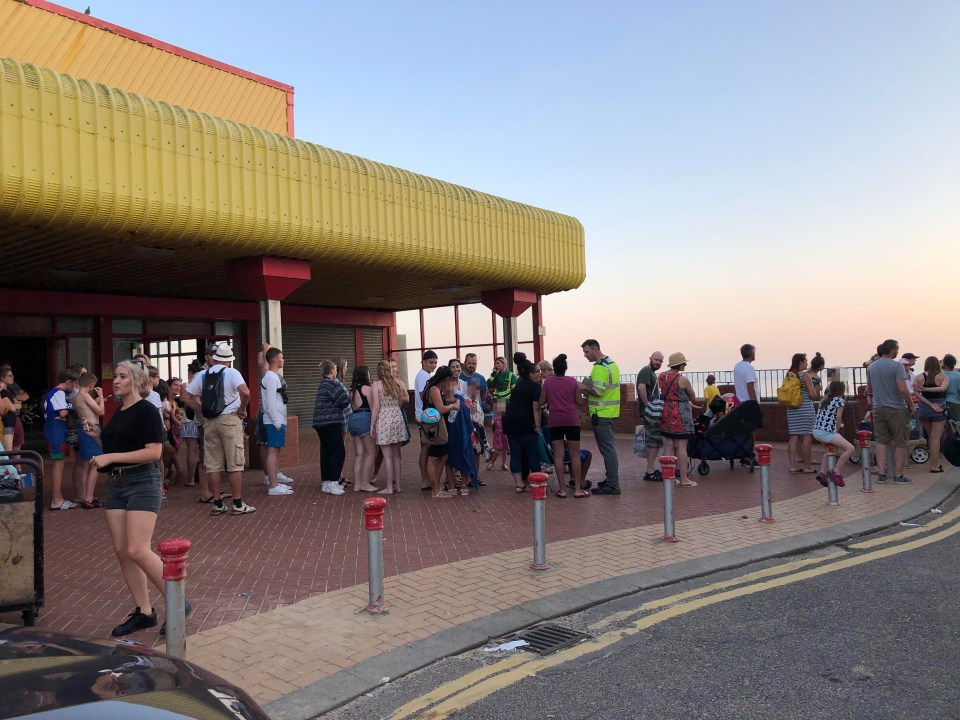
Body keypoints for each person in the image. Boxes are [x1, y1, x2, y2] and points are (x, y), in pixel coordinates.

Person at [82, 360, 188, 637]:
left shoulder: (147, 411)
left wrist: (111, 455)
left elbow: (154, 452)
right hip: (117, 484)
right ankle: (144, 611)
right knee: (123, 550)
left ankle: (179, 603)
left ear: (138, 382)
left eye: (122, 377)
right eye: (115, 376)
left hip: (143, 481)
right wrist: (97, 435)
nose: (115, 381)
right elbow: (115, 449)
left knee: (138, 549)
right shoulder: (119, 412)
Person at [182, 343, 255, 515]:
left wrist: (203, 409)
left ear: (214, 359)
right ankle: (237, 504)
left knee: (213, 464)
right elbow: (245, 392)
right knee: (235, 463)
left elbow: (185, 397)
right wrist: (243, 409)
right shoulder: (232, 372)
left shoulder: (202, 375)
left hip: (210, 422)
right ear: (229, 359)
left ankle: (217, 503)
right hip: (230, 420)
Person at [866, 339, 915, 484]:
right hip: (896, 408)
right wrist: (911, 405)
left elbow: (870, 389)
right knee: (900, 441)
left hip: (878, 407)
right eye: (897, 349)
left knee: (881, 441)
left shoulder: (871, 367)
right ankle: (898, 475)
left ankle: (882, 474)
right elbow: (902, 388)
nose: (898, 352)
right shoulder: (897, 366)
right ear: (892, 350)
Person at [540, 353, 587, 498]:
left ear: (554, 368)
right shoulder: (572, 381)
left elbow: (542, 401)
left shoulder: (548, 382)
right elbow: (579, 401)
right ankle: (578, 489)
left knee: (558, 455)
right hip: (572, 420)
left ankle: (562, 490)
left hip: (555, 421)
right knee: (575, 455)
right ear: (566, 368)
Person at [581, 339, 621, 495]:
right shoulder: (612, 364)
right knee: (609, 449)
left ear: (595, 350)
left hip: (601, 414)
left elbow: (598, 391)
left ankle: (613, 484)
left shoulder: (599, 368)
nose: (585, 355)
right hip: (610, 413)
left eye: (586, 352)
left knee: (607, 450)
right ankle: (611, 479)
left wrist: (583, 387)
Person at [658, 353, 701, 487]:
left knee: (669, 444)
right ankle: (684, 479)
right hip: (681, 413)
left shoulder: (661, 376)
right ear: (679, 364)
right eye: (684, 363)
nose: (685, 365)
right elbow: (692, 396)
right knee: (682, 445)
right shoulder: (682, 379)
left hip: (666, 411)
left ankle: (668, 477)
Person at [503, 352, 543, 492]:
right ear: (531, 374)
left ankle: (519, 484)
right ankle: (536, 483)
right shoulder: (535, 387)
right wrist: (537, 426)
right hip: (526, 423)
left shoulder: (517, 384)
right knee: (532, 453)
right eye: (538, 372)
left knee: (516, 454)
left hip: (510, 422)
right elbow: (536, 408)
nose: (540, 374)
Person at [260, 346, 294, 496]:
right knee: (272, 451)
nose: (283, 360)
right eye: (281, 357)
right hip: (274, 420)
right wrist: (276, 421)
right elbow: (269, 402)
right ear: (275, 360)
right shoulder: (272, 377)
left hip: (276, 419)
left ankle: (274, 482)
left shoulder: (271, 377)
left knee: (275, 450)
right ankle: (273, 485)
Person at [312, 360, 350, 496]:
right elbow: (344, 400)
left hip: (320, 423)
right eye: (335, 370)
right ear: (332, 371)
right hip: (331, 422)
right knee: (338, 451)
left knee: (326, 451)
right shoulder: (332, 384)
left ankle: (327, 482)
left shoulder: (323, 384)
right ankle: (334, 481)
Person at [421, 366, 459, 498]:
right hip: (436, 427)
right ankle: (435, 490)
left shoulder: (430, 388)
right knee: (433, 458)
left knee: (443, 456)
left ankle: (436, 486)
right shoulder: (434, 389)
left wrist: (450, 401)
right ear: (445, 378)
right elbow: (441, 409)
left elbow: (436, 403)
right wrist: (453, 406)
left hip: (432, 426)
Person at [43, 370, 79, 510]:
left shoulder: (57, 393)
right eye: (74, 384)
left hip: (57, 427)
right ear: (68, 382)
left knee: (60, 462)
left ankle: (58, 498)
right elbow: (63, 412)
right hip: (55, 427)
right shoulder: (58, 392)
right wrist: (74, 405)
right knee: (58, 463)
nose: (74, 388)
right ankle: (56, 499)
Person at [371, 358, 407, 494]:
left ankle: (389, 487)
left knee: (387, 456)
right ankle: (398, 485)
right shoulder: (397, 384)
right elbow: (399, 403)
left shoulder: (376, 385)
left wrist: (372, 425)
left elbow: (375, 406)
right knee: (397, 455)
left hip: (384, 418)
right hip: (397, 416)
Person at [72, 372, 105, 509]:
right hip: (92, 429)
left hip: (83, 428)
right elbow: (101, 411)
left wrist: (95, 402)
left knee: (87, 463)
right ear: (91, 385)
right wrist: (101, 397)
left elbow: (86, 409)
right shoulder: (85, 395)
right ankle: (89, 498)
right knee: (95, 464)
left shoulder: (75, 397)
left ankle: (86, 496)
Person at [813, 380, 854, 487]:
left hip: (816, 431)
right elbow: (838, 417)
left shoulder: (824, 400)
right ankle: (836, 471)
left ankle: (822, 472)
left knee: (829, 449)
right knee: (850, 448)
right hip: (826, 432)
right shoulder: (839, 401)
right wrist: (837, 430)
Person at [913, 356, 949, 473]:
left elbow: (916, 393)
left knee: (930, 436)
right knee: (936, 438)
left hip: (924, 408)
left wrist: (926, 395)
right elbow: (942, 389)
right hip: (939, 407)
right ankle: (934, 465)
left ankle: (936, 463)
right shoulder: (943, 377)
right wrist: (932, 399)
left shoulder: (918, 377)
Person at [347, 365, 379, 492]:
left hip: (353, 419)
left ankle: (357, 484)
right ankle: (365, 483)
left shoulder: (352, 391)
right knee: (371, 453)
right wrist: (374, 424)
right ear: (366, 375)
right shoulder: (368, 389)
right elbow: (373, 408)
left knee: (359, 454)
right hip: (365, 419)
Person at [785, 353, 819, 474]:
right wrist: (816, 388)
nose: (807, 364)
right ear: (800, 363)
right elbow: (813, 395)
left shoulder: (789, 375)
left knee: (793, 437)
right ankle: (807, 466)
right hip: (805, 410)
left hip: (792, 410)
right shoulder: (805, 375)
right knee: (806, 438)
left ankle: (793, 466)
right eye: (805, 361)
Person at [636, 351, 665, 482]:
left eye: (660, 361)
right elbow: (641, 388)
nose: (658, 363)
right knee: (654, 441)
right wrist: (648, 406)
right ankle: (649, 470)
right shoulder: (646, 371)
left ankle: (651, 468)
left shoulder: (651, 373)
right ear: (650, 358)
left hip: (649, 412)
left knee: (652, 440)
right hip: (650, 412)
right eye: (656, 360)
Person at [414, 351, 438, 490]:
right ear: (423, 362)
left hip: (425, 415)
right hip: (425, 417)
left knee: (427, 447)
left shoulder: (426, 375)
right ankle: (425, 479)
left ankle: (427, 478)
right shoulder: (423, 376)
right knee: (426, 447)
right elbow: (425, 395)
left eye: (435, 362)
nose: (433, 365)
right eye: (431, 362)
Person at [179, 360, 201, 489]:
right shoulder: (204, 382)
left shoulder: (185, 386)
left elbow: (184, 402)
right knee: (204, 449)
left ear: (190, 373)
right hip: (201, 417)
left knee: (191, 450)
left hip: (188, 418)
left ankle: (191, 478)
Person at [943, 354, 960, 423]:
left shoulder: (940, 375)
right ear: (954, 363)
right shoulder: (958, 375)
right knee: (955, 426)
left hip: (941, 402)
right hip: (955, 402)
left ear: (944, 363)